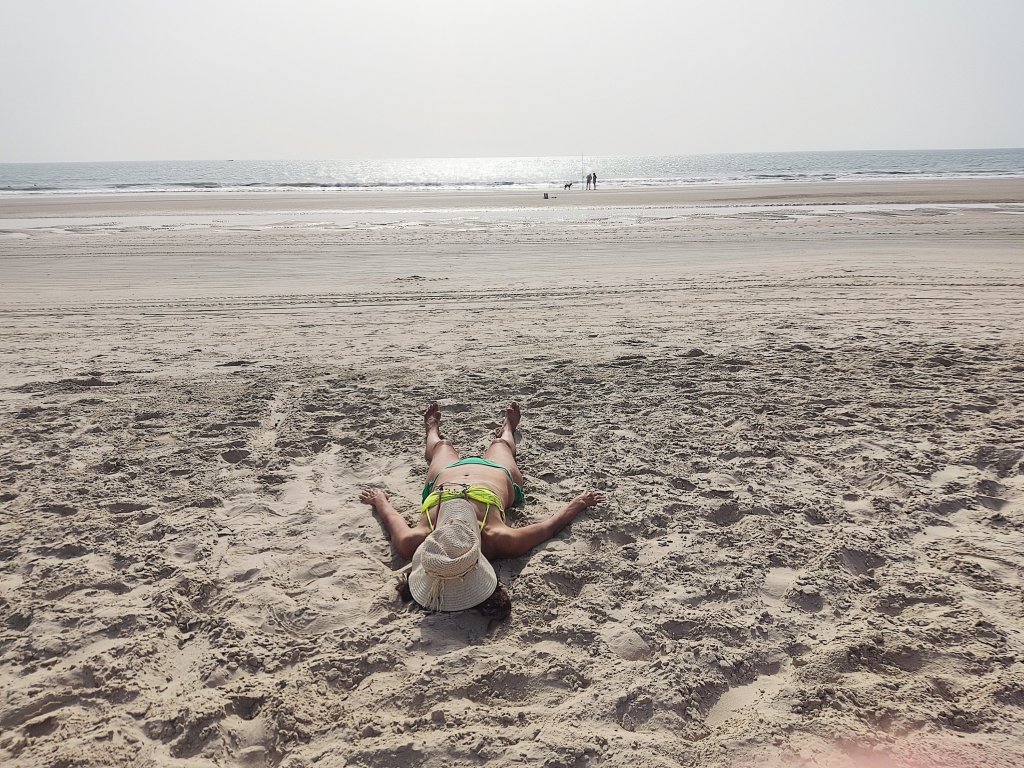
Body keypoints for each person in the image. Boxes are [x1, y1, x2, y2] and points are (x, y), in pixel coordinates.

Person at [360, 402, 606, 614]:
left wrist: (380, 500)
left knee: (441, 446)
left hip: (445, 475)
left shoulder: (414, 542)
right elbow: (549, 527)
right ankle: (508, 428)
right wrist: (578, 503)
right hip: (497, 474)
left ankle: (432, 429)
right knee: (501, 444)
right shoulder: (499, 539)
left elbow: (390, 516)